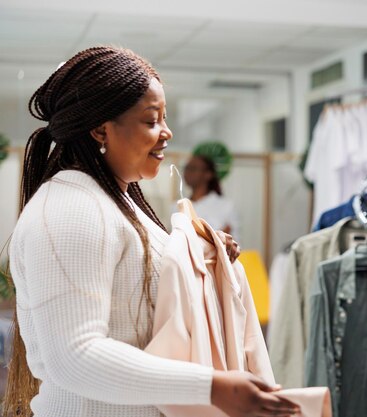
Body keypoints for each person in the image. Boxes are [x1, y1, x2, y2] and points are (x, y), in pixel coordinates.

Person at [5, 46, 298, 417]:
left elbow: (139, 301)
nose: (167, 132)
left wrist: (200, 254)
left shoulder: (113, 200)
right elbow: (74, 356)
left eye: (165, 118)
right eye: (151, 120)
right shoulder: (72, 209)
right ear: (100, 129)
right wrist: (211, 387)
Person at [182, 153, 240, 239]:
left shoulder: (226, 206)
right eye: (187, 168)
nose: (188, 172)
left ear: (208, 174)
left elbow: (232, 244)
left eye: (193, 168)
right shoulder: (177, 206)